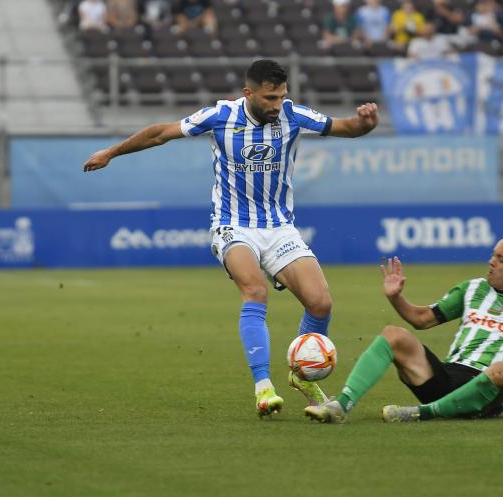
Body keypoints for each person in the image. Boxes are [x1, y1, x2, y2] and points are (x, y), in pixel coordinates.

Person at [82, 60, 378, 417]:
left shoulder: (293, 115)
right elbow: (160, 133)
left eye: (282, 96)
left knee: (320, 303)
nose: (277, 104)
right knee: (255, 291)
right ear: (248, 93)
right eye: (270, 98)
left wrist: (365, 123)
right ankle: (263, 387)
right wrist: (111, 152)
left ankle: (301, 375)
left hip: (279, 227)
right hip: (232, 225)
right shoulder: (221, 116)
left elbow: (346, 127)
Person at [305, 236, 503, 423]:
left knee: (502, 371)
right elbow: (422, 319)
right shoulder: (472, 289)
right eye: (493, 256)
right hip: (448, 377)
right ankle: (340, 405)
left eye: (501, 259)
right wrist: (396, 298)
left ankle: (419, 414)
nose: (492, 262)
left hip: (490, 391)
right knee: (393, 334)